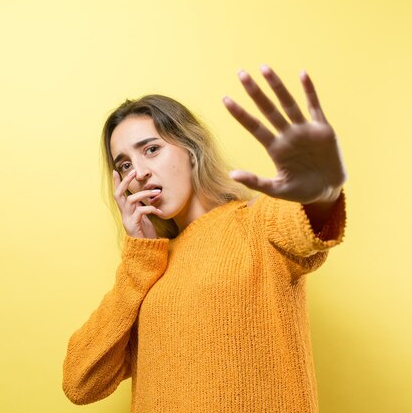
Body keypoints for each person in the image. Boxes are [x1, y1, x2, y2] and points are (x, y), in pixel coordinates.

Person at [62, 65, 347, 413]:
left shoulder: (255, 221)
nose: (138, 173)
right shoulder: (149, 270)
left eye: (151, 149)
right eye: (123, 164)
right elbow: (80, 381)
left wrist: (322, 189)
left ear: (191, 147)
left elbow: (307, 224)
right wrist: (139, 258)